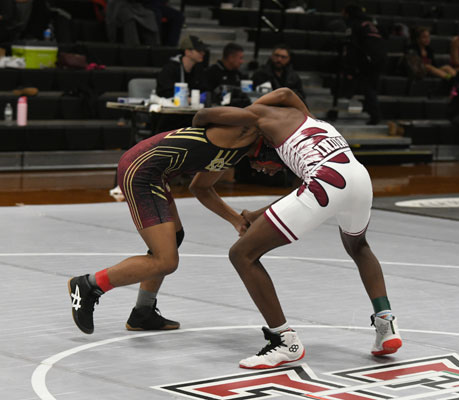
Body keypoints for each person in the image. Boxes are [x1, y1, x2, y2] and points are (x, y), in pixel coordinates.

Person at [195, 88, 402, 369]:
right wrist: (256, 215)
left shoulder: (257, 118)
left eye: (256, 162)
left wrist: (201, 122)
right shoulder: (307, 119)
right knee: (359, 246)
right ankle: (386, 323)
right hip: (358, 177)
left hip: (327, 180)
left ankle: (284, 341)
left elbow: (206, 114)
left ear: (257, 142)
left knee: (241, 254)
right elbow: (285, 93)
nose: (262, 170)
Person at [68, 117, 283, 335]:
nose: (273, 173)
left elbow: (201, 188)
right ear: (270, 150)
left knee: (174, 237)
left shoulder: (234, 153)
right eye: (279, 166)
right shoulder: (238, 135)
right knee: (166, 261)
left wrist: (236, 219)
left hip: (154, 175)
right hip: (140, 172)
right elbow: (263, 107)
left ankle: (143, 312)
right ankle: (88, 285)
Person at [341, 3, 386, 125]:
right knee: (371, 87)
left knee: (368, 87)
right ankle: (369, 111)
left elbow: (351, 46)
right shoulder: (370, 23)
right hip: (379, 57)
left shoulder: (354, 24)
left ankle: (375, 116)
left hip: (367, 58)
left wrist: (350, 67)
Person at [156, 34, 208, 98]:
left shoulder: (198, 69)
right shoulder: (170, 69)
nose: (203, 53)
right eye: (199, 51)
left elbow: (204, 90)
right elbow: (164, 92)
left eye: (203, 50)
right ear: (187, 52)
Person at [205, 42, 250, 107]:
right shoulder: (212, 72)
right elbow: (208, 97)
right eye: (240, 58)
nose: (242, 61)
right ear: (231, 57)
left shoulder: (238, 74)